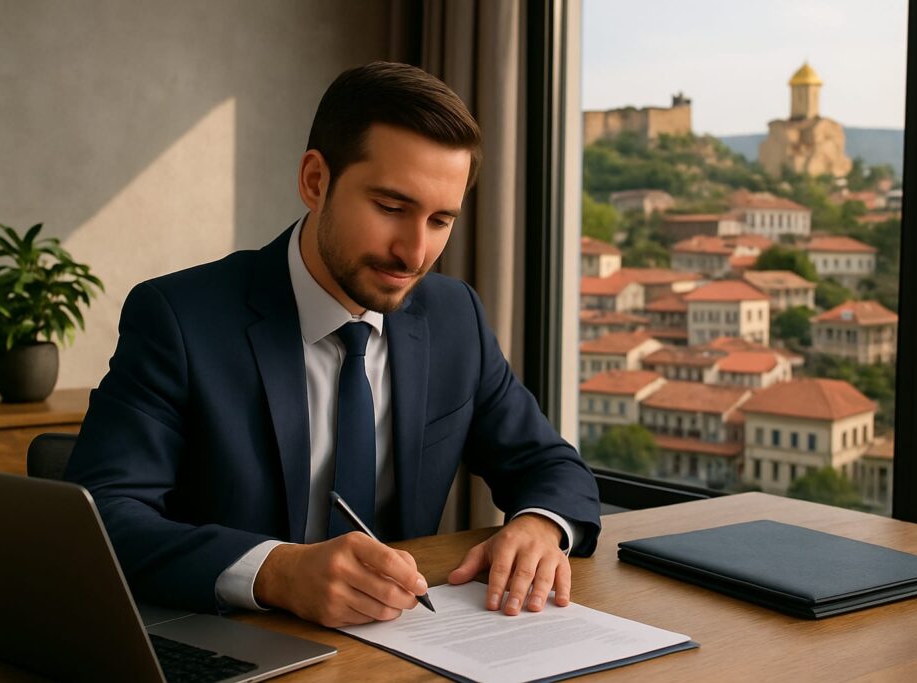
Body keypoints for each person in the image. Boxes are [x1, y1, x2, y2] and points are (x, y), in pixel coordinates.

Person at [65, 61, 601, 628]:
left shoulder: (454, 317)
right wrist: (276, 572)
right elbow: (100, 519)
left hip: (403, 643)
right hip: (233, 639)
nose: (415, 252)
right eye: (391, 208)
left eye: (441, 220)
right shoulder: (178, 319)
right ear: (315, 181)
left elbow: (550, 464)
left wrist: (541, 525)